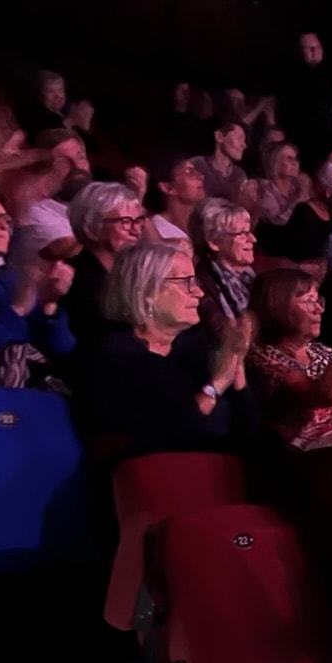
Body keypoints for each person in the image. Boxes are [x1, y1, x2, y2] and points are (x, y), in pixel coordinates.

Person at [79, 241, 257, 459]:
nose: (199, 293)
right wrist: (216, 385)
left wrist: (236, 362)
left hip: (217, 472)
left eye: (196, 281)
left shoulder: (197, 348)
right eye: (185, 282)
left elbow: (249, 434)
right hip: (157, 478)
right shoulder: (116, 353)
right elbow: (174, 434)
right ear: (146, 290)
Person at [245, 268, 332, 451]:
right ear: (276, 306)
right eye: (308, 301)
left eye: (318, 300)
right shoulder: (262, 358)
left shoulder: (321, 353)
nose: (319, 309)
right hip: (309, 459)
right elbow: (326, 395)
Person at [0, 198, 75, 357]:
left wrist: (48, 303)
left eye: (7, 221)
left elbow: (63, 348)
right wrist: (18, 309)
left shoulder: (12, 282)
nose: (2, 226)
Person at [64, 179, 147, 351]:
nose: (136, 231)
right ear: (92, 230)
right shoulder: (73, 277)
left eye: (138, 221)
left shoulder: (137, 274)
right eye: (125, 222)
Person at [192, 198, 256, 327]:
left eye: (249, 232)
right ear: (214, 242)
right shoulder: (203, 286)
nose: (253, 239)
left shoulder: (253, 278)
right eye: (242, 233)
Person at [144, 157, 205, 244]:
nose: (201, 176)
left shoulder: (205, 225)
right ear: (167, 187)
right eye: (189, 172)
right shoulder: (157, 231)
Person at [191, 119, 250, 207]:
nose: (244, 145)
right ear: (219, 136)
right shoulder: (197, 165)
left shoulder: (239, 176)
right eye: (239, 138)